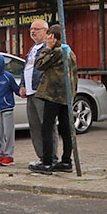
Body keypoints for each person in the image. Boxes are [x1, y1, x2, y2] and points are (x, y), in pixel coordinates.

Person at [29, 24, 79, 174]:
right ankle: (66, 161)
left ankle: (46, 162)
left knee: (47, 127)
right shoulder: (70, 51)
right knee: (65, 128)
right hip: (66, 96)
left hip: (54, 95)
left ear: (52, 37)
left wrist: (48, 47)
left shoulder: (57, 52)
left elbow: (39, 64)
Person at [18, 19, 58, 165]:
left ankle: (51, 157)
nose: (33, 32)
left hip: (42, 93)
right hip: (30, 93)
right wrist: (22, 85)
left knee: (47, 126)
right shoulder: (32, 49)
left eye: (37, 29)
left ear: (46, 31)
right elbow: (26, 69)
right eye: (31, 29)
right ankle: (42, 156)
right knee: (34, 127)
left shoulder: (48, 49)